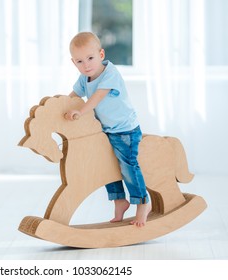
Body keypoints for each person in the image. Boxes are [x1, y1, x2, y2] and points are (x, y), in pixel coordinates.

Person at [64, 31, 151, 227]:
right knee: (104, 166)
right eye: (79, 61)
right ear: (73, 63)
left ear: (101, 55)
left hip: (125, 130)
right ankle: (119, 200)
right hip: (106, 131)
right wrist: (60, 108)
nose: (86, 65)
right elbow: (72, 97)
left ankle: (143, 202)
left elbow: (96, 98)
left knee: (128, 166)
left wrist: (80, 111)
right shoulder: (83, 79)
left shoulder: (110, 73)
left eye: (90, 58)